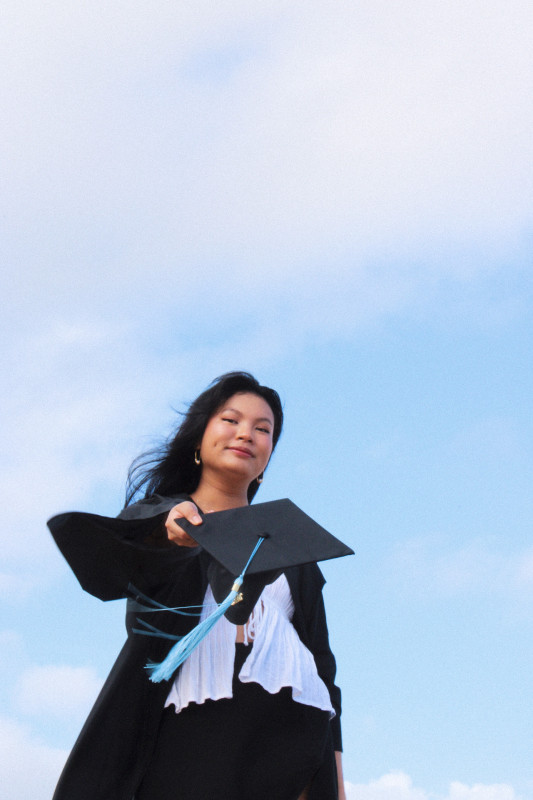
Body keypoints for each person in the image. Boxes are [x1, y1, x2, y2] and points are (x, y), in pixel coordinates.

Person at [49, 371, 346, 800]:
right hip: (189, 738)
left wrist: (335, 781)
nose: (247, 433)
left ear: (267, 457)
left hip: (290, 747)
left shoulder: (294, 548)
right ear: (199, 438)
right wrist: (170, 534)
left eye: (263, 430)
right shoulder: (160, 518)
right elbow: (123, 568)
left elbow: (324, 667)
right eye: (231, 420)